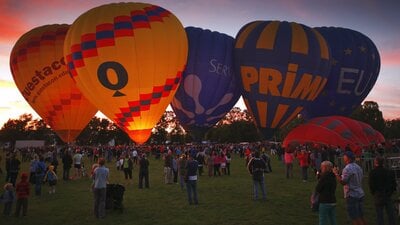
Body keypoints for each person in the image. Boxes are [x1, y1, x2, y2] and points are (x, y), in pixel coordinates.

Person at [333, 151, 366, 225]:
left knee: (354, 217)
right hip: (360, 193)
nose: (343, 158)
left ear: (348, 158)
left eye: (344, 157)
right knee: (361, 216)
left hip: (352, 195)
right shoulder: (358, 167)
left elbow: (343, 182)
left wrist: (336, 174)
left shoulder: (347, 168)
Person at [369, 156, 397, 225]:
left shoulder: (373, 172)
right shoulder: (389, 171)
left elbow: (371, 185)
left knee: (379, 214)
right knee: (390, 213)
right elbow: (394, 183)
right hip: (387, 193)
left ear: (375, 163)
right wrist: (391, 192)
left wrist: (374, 192)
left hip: (378, 194)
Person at [315, 161, 337, 225]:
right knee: (333, 219)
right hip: (332, 200)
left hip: (324, 201)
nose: (321, 168)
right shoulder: (333, 176)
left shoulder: (324, 177)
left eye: (322, 167)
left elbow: (318, 189)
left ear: (325, 168)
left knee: (323, 220)